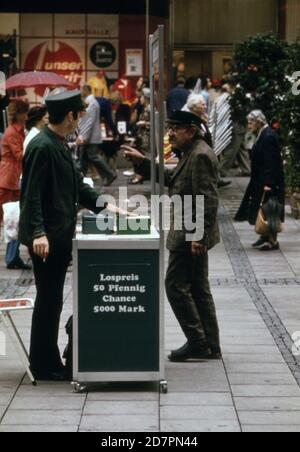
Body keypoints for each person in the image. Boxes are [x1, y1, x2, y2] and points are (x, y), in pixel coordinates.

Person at [19, 90, 120, 381]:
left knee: (52, 300)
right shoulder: (42, 146)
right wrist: (38, 232)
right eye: (79, 114)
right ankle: (43, 363)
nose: (81, 120)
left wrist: (107, 205)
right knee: (48, 300)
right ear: (70, 115)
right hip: (47, 237)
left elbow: (78, 186)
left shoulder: (59, 144)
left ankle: (48, 360)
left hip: (58, 235)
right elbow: (32, 195)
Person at [123, 110, 221, 361]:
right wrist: (144, 161)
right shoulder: (192, 151)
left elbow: (206, 198)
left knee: (175, 285)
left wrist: (198, 235)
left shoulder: (199, 155)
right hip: (190, 232)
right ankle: (210, 344)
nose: (169, 134)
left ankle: (198, 341)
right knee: (198, 287)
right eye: (169, 128)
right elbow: (172, 178)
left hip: (189, 234)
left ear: (190, 130)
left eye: (174, 128)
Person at [235, 110, 285, 251]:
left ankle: (272, 241)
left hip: (268, 181)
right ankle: (265, 236)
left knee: (271, 210)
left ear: (259, 122)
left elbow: (271, 162)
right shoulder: (263, 134)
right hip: (261, 179)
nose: (249, 124)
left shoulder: (267, 136)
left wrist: (269, 183)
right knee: (265, 209)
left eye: (251, 122)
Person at [0, 99, 31, 270]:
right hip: (8, 178)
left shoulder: (19, 131)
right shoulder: (12, 132)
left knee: (14, 218)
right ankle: (12, 256)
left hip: (13, 178)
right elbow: (19, 155)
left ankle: (13, 256)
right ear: (18, 114)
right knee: (8, 218)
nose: (26, 116)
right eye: (25, 112)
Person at [77, 85, 117, 186]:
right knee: (84, 157)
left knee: (91, 156)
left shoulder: (91, 103)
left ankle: (109, 174)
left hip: (90, 137)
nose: (81, 92)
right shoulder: (91, 102)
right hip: (89, 136)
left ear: (86, 91)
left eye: (82, 90)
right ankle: (81, 178)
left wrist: (84, 136)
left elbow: (89, 121)